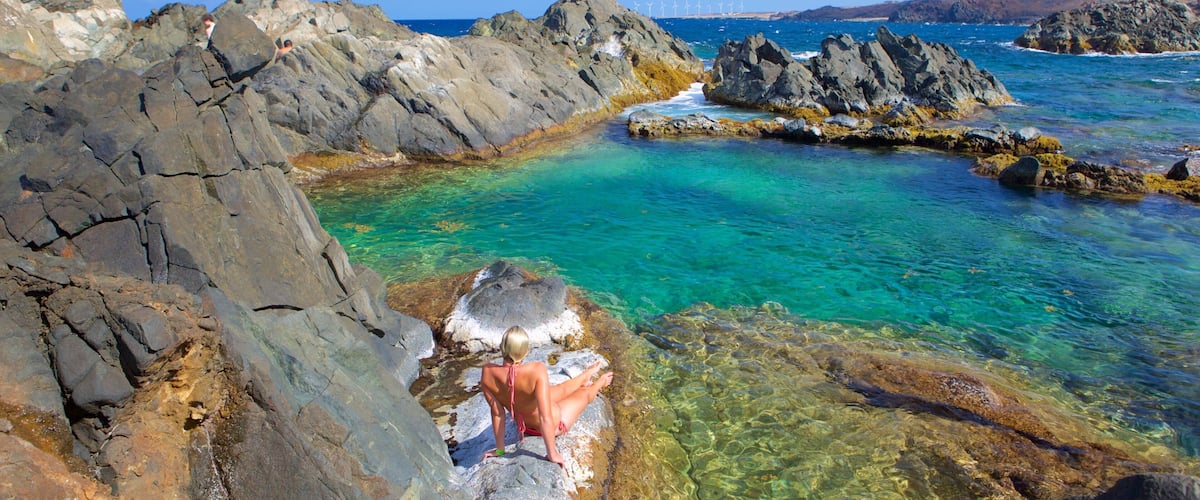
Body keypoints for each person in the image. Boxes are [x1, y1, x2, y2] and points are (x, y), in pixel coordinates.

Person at [479, 326, 613, 466]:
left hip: (525, 425)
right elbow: (545, 417)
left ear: (503, 347)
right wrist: (552, 454)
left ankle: (585, 376)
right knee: (584, 393)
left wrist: (500, 450)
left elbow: (498, 414)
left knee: (558, 390)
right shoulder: (536, 370)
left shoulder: (488, 372)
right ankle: (600, 383)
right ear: (526, 351)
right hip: (554, 424)